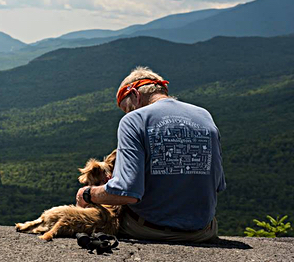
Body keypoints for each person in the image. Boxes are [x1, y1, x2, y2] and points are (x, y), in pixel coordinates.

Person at [76, 66, 226, 242]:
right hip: (203, 230)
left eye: (127, 108)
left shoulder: (133, 120)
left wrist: (87, 193)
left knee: (92, 214)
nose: (128, 113)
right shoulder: (204, 116)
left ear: (135, 95)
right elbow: (218, 184)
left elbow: (127, 192)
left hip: (150, 230)